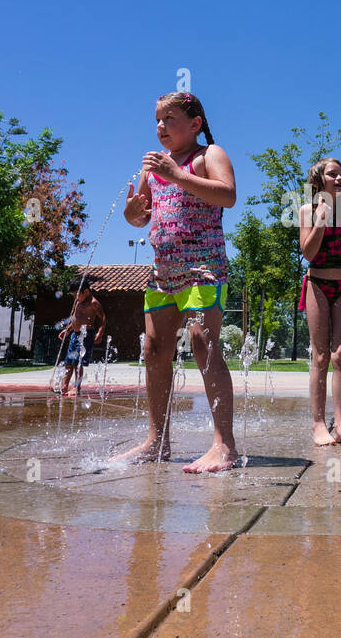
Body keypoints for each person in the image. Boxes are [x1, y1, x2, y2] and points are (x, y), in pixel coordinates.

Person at [118, 91, 239, 473]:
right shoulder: (153, 166)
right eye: (157, 120)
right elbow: (138, 217)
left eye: (169, 119)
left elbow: (229, 196)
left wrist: (178, 175)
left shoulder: (209, 155)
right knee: (154, 348)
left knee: (203, 342)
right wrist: (132, 212)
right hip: (162, 269)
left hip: (203, 266)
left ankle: (224, 445)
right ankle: (157, 441)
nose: (160, 127)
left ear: (195, 124)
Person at [299, 158, 341, 447]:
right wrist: (321, 220)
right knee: (321, 355)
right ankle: (318, 424)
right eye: (333, 174)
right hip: (316, 283)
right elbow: (308, 253)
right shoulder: (306, 211)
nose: (340, 179)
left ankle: (340, 424)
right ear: (318, 181)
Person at [57, 281, 106, 396]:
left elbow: (103, 318)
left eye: (76, 295)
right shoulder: (78, 302)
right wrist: (68, 330)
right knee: (69, 362)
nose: (75, 298)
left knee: (77, 363)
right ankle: (64, 387)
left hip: (86, 335)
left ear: (86, 291)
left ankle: (76, 388)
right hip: (75, 334)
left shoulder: (93, 303)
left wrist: (100, 332)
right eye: (73, 296)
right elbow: (74, 318)